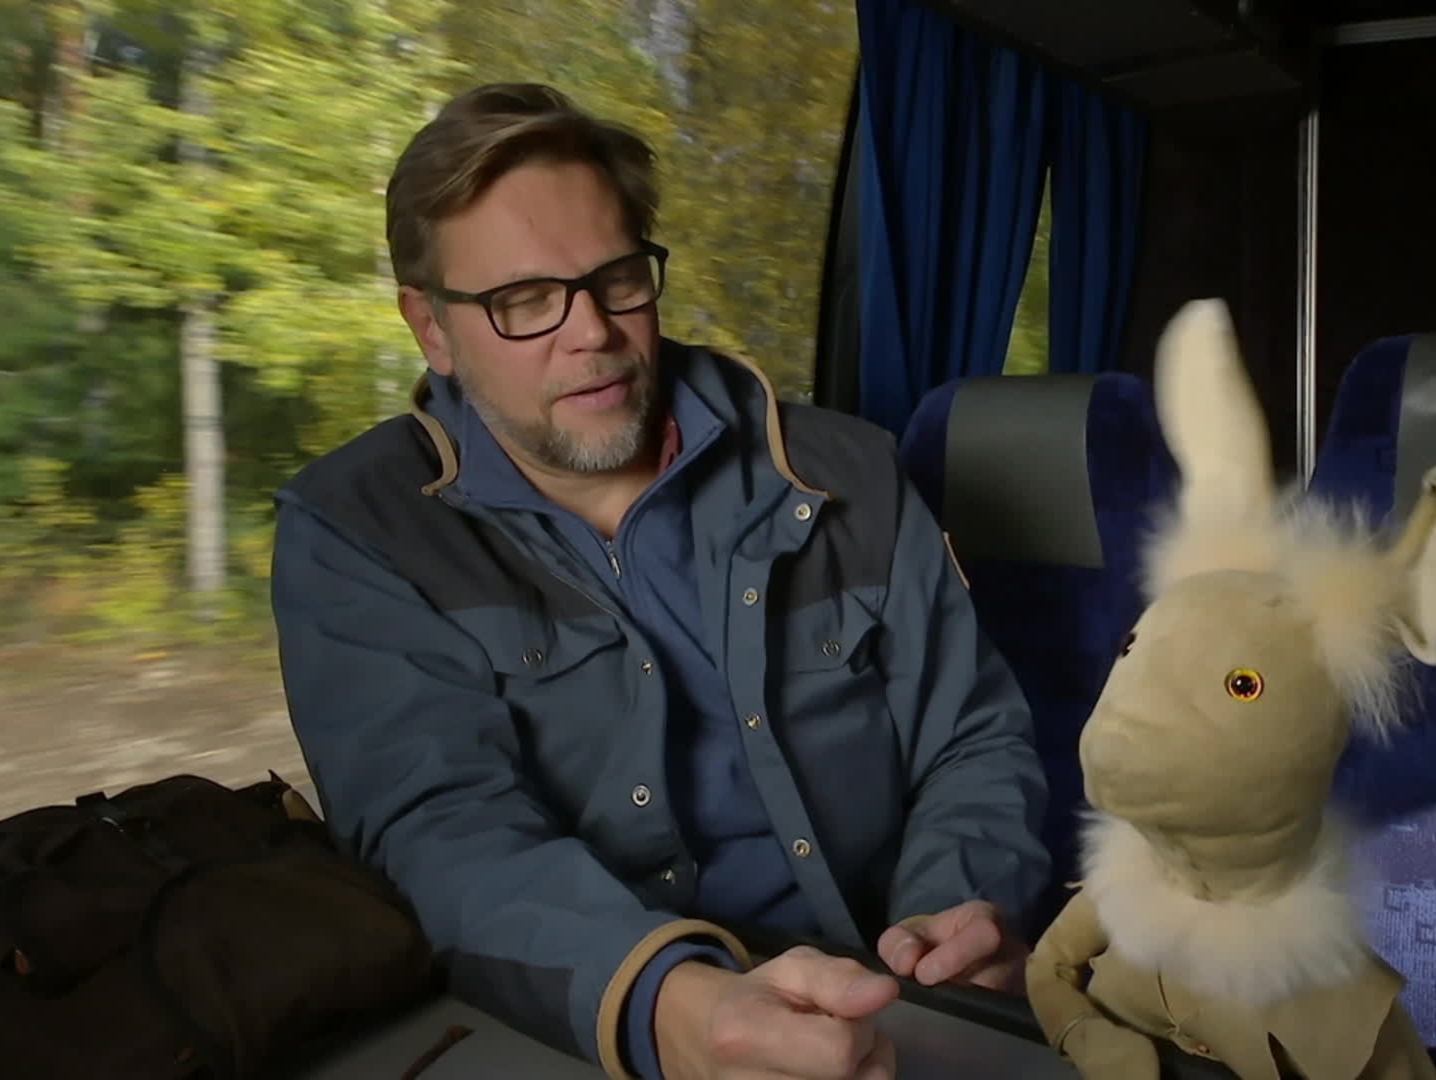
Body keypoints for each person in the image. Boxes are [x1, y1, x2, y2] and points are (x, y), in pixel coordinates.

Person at [269, 82, 1051, 1080]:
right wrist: (664, 1006)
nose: (591, 331)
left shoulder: (848, 471)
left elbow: (973, 737)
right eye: (524, 300)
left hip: (893, 995)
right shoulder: (356, 530)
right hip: (573, 1020)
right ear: (431, 329)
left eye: (617, 278)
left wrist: (951, 915)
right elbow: (437, 830)